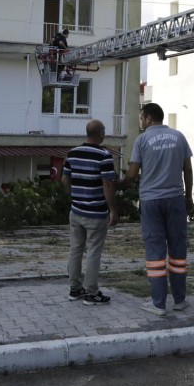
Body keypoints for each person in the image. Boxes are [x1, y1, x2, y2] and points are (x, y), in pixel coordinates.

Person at [127, 102, 193, 316]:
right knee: (178, 251)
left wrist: (116, 183)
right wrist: (189, 196)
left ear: (147, 118)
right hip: (175, 199)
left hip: (151, 201)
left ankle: (158, 304)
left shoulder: (142, 140)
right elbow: (188, 169)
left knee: (155, 252)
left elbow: (133, 173)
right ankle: (180, 300)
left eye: (140, 118)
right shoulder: (179, 137)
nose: (140, 122)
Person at [63, 119, 118, 305]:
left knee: (76, 249)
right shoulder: (104, 156)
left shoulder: (72, 153)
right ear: (101, 133)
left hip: (76, 210)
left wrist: (74, 195)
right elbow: (108, 184)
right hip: (96, 213)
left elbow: (64, 179)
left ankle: (74, 289)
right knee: (94, 251)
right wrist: (113, 209)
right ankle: (91, 292)